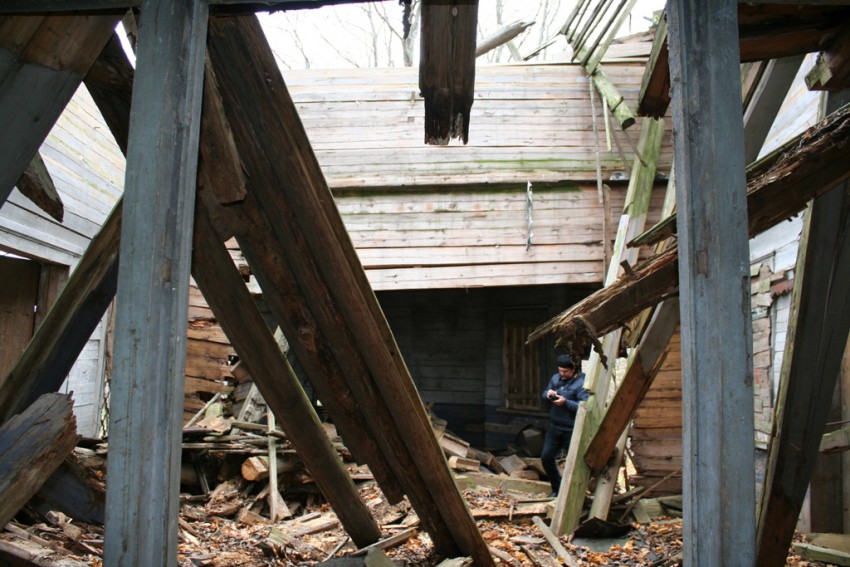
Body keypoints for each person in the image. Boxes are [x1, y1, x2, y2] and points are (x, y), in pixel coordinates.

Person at [541, 353, 588, 497]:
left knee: (574, 463)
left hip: (571, 429)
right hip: (555, 427)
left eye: (565, 371)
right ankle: (557, 489)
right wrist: (548, 394)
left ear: (573, 369)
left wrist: (565, 402)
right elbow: (544, 392)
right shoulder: (556, 378)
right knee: (546, 457)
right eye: (560, 370)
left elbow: (584, 406)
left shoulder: (582, 382)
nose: (562, 374)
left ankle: (575, 493)